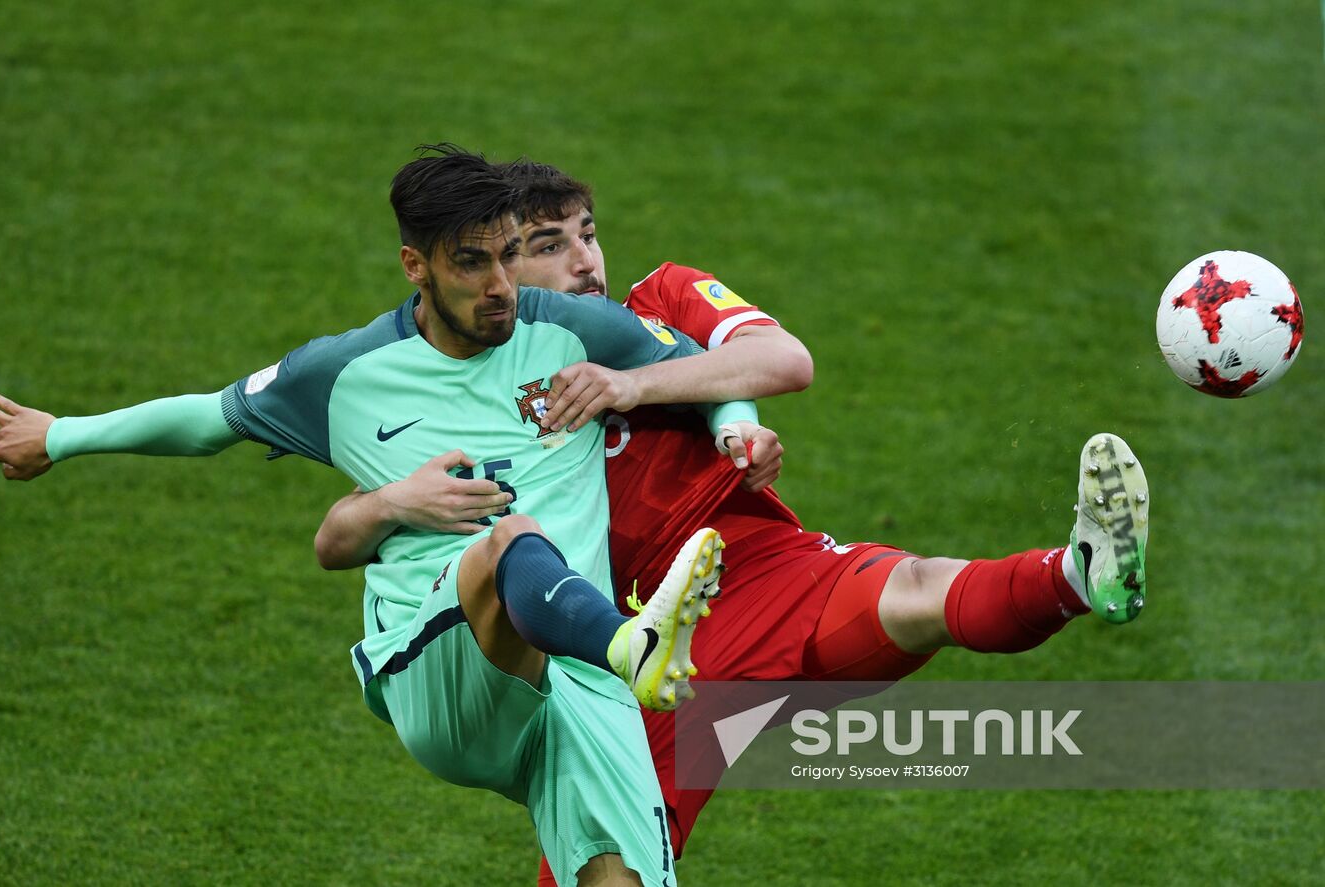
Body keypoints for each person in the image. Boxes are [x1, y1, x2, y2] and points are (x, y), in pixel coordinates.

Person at [0, 147, 800, 887]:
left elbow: (711, 369)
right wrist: (60, 436)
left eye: (509, 255)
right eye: (472, 264)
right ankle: (628, 640)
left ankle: (618, 656)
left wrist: (735, 430)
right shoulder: (347, 372)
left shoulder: (577, 330)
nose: (501, 286)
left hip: (583, 692)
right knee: (515, 538)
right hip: (440, 668)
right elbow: (206, 418)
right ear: (416, 264)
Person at [314, 158, 1153, 884]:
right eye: (548, 245)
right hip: (634, 650)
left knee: (919, 588)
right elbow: (371, 512)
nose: (584, 261)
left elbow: (784, 360)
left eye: (588, 234)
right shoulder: (471, 382)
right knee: (607, 864)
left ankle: (1082, 573)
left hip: (754, 569)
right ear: (494, 267)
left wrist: (646, 391)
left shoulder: (663, 306)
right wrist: (382, 506)